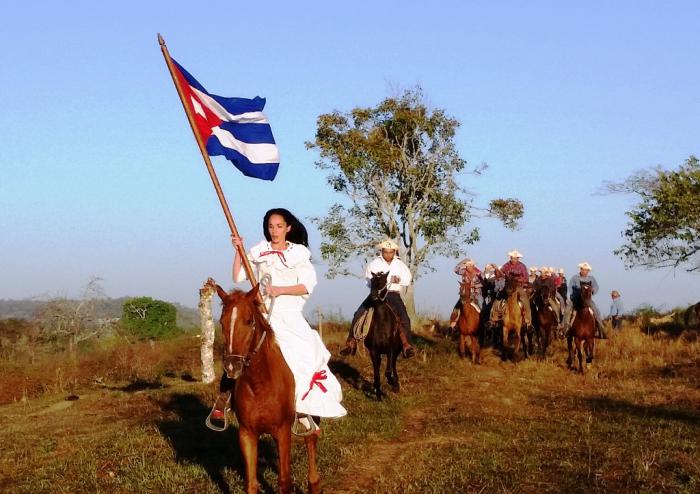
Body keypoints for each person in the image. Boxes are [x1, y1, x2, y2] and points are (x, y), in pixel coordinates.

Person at [209, 208, 346, 430]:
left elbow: (306, 286)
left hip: (288, 314)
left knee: (300, 357)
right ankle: (224, 398)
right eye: (271, 226)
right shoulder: (259, 251)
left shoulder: (298, 254)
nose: (274, 231)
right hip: (262, 315)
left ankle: (302, 407)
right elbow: (238, 276)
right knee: (239, 347)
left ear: (288, 228)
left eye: (279, 226)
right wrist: (238, 251)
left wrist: (279, 290)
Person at [340, 239, 415, 358]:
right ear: (382, 251)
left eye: (391, 252)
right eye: (386, 252)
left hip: (393, 294)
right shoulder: (374, 264)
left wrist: (399, 279)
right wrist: (382, 281)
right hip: (376, 294)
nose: (388, 255)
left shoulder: (400, 264)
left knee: (404, 317)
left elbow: (408, 279)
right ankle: (351, 342)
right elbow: (368, 281)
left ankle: (407, 345)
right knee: (358, 313)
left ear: (394, 252)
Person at [565, 262, 606, 338]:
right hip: (576, 299)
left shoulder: (591, 279)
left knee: (596, 310)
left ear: (588, 271)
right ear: (580, 269)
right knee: (567, 310)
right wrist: (575, 293)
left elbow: (596, 287)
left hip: (588, 300)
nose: (585, 271)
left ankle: (601, 330)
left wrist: (592, 290)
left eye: (586, 270)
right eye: (583, 270)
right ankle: (564, 329)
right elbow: (570, 287)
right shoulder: (574, 278)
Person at [494, 250, 533, 329]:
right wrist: (497, 269)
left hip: (518, 287)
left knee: (525, 301)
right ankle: (493, 319)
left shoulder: (522, 266)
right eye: (512, 257)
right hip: (507, 287)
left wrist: (517, 279)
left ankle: (528, 321)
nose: (513, 259)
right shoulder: (506, 265)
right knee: (497, 300)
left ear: (518, 258)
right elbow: (501, 274)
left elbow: (526, 278)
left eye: (515, 258)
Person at [449, 258, 483, 329]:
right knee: (456, 308)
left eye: (468, 265)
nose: (466, 267)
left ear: (472, 266)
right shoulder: (464, 272)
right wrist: (462, 262)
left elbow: (484, 283)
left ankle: (483, 324)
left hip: (476, 294)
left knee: (482, 307)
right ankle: (453, 325)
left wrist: (475, 286)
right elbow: (455, 270)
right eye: (466, 265)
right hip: (465, 295)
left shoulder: (479, 273)